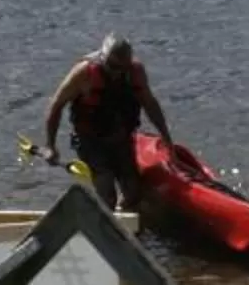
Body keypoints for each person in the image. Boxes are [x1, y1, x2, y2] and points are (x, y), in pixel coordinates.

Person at [42, 34, 172, 213]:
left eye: (122, 68)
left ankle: (126, 224)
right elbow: (56, 106)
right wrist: (50, 145)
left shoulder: (135, 72)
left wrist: (167, 139)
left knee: (133, 192)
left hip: (121, 138)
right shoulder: (84, 73)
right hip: (90, 140)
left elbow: (150, 104)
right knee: (106, 188)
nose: (117, 72)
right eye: (113, 66)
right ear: (103, 57)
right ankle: (107, 224)